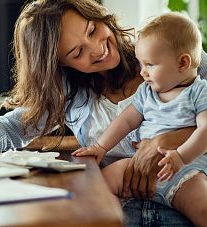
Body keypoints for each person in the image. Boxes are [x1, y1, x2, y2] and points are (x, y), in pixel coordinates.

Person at [0, 0, 207, 225]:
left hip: (187, 200)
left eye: (93, 30)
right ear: (60, 63)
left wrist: (167, 140)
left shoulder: (165, 51)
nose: (97, 48)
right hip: (119, 211)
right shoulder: (70, 93)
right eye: (77, 52)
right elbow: (16, 125)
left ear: (98, 16)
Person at [72, 12, 207, 226]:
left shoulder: (199, 91)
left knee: (203, 208)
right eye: (140, 64)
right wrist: (100, 147)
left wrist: (179, 157)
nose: (142, 72)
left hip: (186, 170)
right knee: (99, 186)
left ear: (183, 63)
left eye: (150, 65)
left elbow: (205, 130)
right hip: (137, 166)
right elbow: (125, 121)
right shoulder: (147, 91)